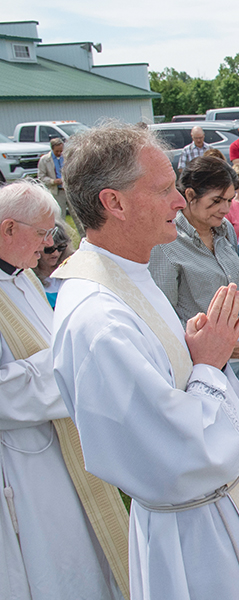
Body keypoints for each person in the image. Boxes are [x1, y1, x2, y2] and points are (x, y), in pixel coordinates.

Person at [53, 123, 239, 598]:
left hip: (208, 513)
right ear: (114, 203)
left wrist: (187, 350)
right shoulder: (98, 319)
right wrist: (210, 365)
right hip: (191, 533)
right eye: (164, 189)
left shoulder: (129, 274)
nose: (180, 201)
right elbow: (172, 455)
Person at [0, 180, 129, 600]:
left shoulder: (23, 277)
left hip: (65, 442)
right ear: (7, 229)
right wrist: (70, 359)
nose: (48, 245)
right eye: (41, 233)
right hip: (24, 464)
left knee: (92, 553)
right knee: (54, 565)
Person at [148, 156, 239, 530]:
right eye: (216, 201)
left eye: (229, 199)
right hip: (205, 366)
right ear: (188, 196)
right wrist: (214, 347)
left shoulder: (226, 234)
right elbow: (165, 315)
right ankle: (227, 519)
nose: (226, 208)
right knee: (218, 444)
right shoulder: (167, 244)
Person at [32, 219, 74, 307]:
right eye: (49, 249)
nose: (55, 253)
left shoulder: (73, 270)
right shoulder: (30, 278)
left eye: (60, 247)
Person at [37, 137, 69, 217]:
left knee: (78, 217)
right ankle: (62, 230)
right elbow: (41, 177)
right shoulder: (44, 160)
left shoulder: (67, 157)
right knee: (60, 216)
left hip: (69, 190)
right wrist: (53, 181)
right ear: (52, 149)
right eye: (57, 151)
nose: (59, 153)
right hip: (57, 192)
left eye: (61, 151)